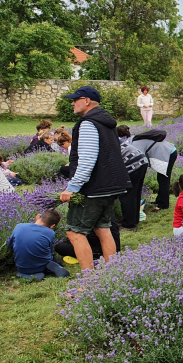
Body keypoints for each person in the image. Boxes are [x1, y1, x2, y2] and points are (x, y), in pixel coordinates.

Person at [58, 86, 131, 271]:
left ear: (87, 101)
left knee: (74, 232)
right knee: (103, 229)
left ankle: (87, 282)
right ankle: (113, 275)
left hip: (94, 188)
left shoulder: (88, 123)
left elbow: (87, 160)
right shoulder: (105, 122)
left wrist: (72, 187)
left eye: (76, 99)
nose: (73, 103)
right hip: (110, 186)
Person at [125, 126, 178, 213]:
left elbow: (139, 159)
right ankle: (159, 200)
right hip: (167, 151)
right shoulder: (133, 140)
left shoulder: (133, 145)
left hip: (168, 153)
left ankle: (164, 205)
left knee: (163, 180)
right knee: (160, 179)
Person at [7, 209, 69, 280]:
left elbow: (9, 246)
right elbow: (50, 251)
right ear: (52, 226)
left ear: (37, 216)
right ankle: (50, 268)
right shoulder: (50, 233)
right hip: (40, 267)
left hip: (21, 267)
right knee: (57, 261)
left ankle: (27, 270)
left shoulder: (19, 226)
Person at [55, 211, 120, 263]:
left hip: (99, 248)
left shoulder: (88, 210)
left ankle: (93, 256)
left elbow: (81, 236)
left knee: (60, 247)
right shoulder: (106, 208)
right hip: (112, 245)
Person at [117, 130, 149, 232]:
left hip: (132, 164)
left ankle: (128, 225)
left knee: (126, 194)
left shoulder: (103, 141)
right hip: (141, 160)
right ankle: (134, 220)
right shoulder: (109, 136)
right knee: (135, 193)